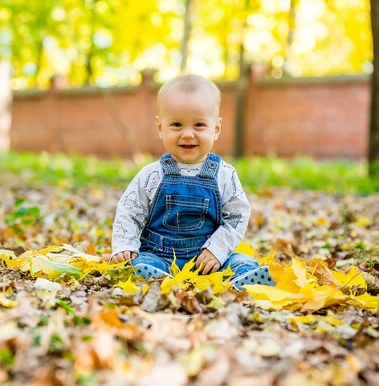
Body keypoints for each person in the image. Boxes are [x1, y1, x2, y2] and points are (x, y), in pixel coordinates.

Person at [109, 74, 274, 291]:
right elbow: (130, 211)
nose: (187, 134)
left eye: (199, 125)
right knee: (142, 262)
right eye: (176, 124)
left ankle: (244, 277)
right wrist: (125, 245)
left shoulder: (223, 174)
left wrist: (217, 250)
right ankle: (152, 277)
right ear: (160, 128)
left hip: (209, 260)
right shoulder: (151, 175)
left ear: (216, 129)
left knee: (239, 261)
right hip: (160, 256)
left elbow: (237, 215)